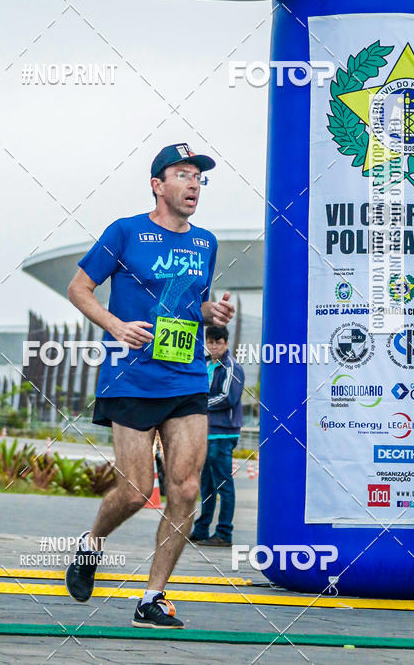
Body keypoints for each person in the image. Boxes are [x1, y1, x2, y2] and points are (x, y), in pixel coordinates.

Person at [65, 142, 235, 628]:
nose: (194, 185)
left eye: (199, 178)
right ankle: (91, 543)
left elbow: (188, 304)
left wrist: (211, 313)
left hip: (184, 374)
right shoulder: (125, 232)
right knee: (137, 490)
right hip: (130, 374)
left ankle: (152, 598)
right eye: (183, 175)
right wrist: (116, 326)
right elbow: (79, 289)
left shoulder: (205, 241)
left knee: (185, 487)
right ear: (158, 185)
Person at [190, 325, 244, 547]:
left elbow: (227, 397)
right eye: (211, 342)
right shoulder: (203, 364)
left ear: (226, 343)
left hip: (223, 433)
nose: (214, 346)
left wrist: (198, 405)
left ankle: (224, 533)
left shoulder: (232, 367)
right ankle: (201, 529)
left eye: (218, 342)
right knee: (207, 485)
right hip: (204, 431)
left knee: (224, 484)